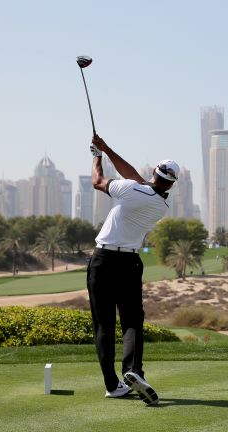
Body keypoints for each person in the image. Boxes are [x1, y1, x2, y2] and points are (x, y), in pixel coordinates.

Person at [87, 134, 179, 405]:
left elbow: (97, 181)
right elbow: (136, 179)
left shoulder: (131, 190)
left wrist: (96, 155)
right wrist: (108, 148)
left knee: (103, 324)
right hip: (129, 263)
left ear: (154, 172)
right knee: (132, 321)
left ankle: (112, 385)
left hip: (103, 260)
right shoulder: (161, 204)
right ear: (171, 183)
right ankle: (132, 371)